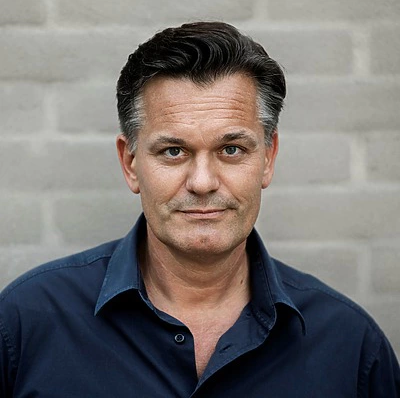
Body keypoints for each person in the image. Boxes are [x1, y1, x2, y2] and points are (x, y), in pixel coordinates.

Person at [0, 22, 399, 398]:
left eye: (231, 149)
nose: (203, 182)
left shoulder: (350, 346)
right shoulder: (24, 324)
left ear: (268, 158)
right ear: (130, 163)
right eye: (173, 151)